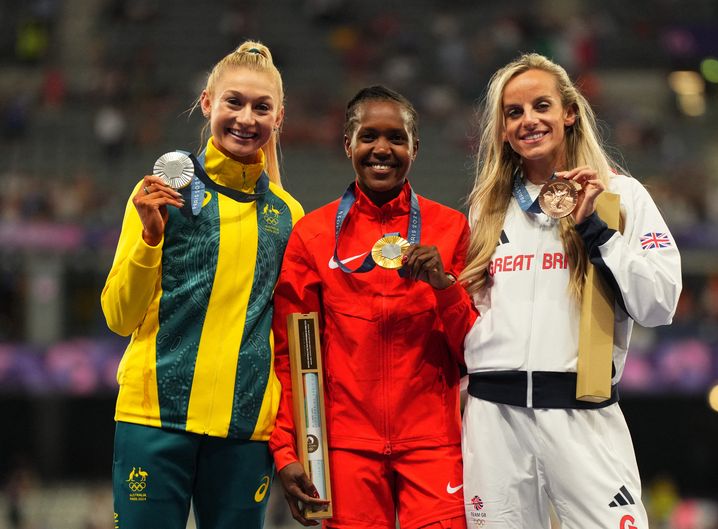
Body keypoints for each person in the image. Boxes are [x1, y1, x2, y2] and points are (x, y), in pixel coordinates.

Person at [459, 53, 682, 529]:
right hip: (494, 418)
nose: (529, 121)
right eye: (513, 112)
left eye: (541, 105)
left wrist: (597, 231)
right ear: (500, 129)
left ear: (570, 112)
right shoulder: (486, 207)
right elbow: (475, 310)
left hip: (582, 414)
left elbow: (661, 303)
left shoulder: (621, 197)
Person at [100, 40, 303, 529]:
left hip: (243, 432)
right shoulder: (161, 194)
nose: (246, 118)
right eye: (233, 102)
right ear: (208, 102)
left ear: (278, 119)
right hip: (154, 420)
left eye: (261, 107)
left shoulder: (287, 216)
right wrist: (150, 238)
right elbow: (118, 317)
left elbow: (287, 338)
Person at [269, 85, 475, 529]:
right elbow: (290, 356)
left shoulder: (451, 229)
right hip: (345, 447)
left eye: (396, 138)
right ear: (348, 145)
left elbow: (472, 350)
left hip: (434, 444)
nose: (382, 148)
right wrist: (287, 450)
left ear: (414, 147)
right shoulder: (312, 235)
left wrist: (446, 288)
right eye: (368, 137)